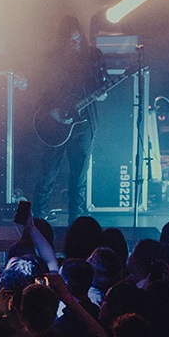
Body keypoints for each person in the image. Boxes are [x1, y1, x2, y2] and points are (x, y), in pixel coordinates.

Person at [25, 15, 105, 221]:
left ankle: (76, 225)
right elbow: (37, 88)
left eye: (77, 39)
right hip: (54, 125)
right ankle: (38, 222)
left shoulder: (93, 56)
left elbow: (100, 84)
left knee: (79, 178)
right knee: (47, 176)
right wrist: (52, 112)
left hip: (84, 123)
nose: (75, 44)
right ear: (62, 40)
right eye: (70, 40)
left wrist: (102, 92)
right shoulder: (51, 59)